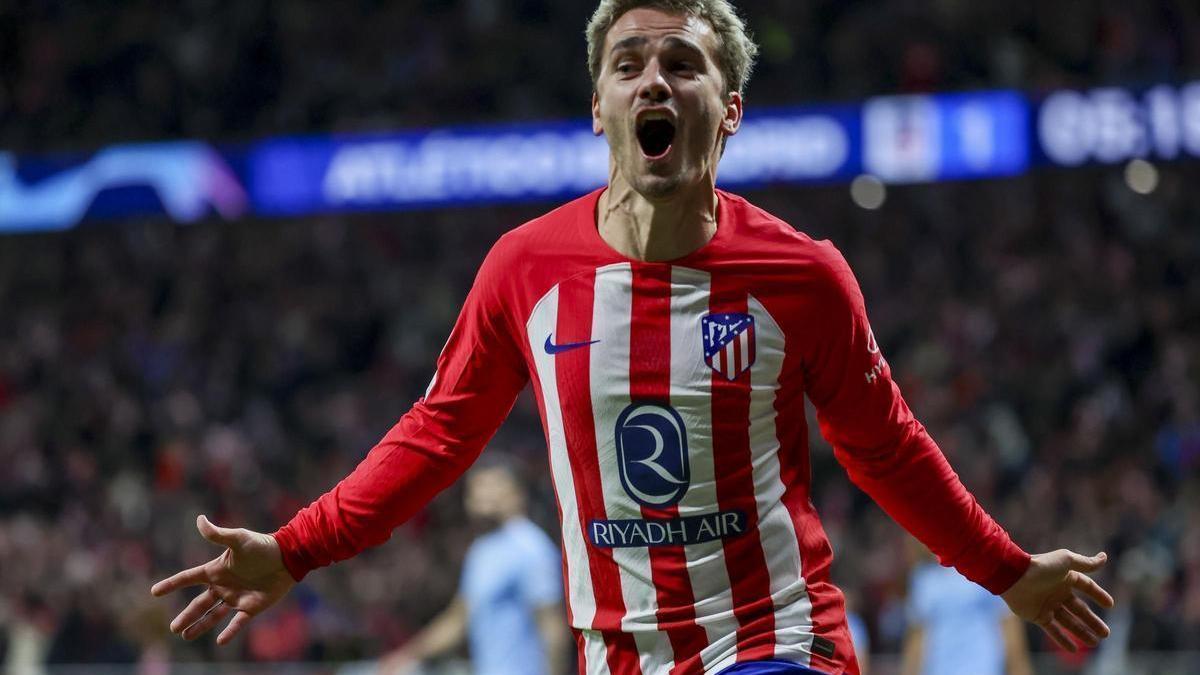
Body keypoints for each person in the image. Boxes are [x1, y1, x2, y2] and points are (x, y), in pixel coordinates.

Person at [150, 2, 1116, 673]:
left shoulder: (803, 276)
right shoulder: (523, 271)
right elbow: (438, 433)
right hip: (625, 659)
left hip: (780, 640)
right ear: (601, 110)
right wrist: (295, 548)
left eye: (682, 63)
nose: (654, 77)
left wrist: (1008, 571)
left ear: (727, 114)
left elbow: (887, 447)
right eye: (629, 65)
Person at [378, 455, 570, 675]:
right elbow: (459, 619)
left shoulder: (533, 549)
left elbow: (552, 627)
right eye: (476, 487)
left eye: (491, 485)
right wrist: (407, 655)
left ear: (516, 493)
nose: (481, 494)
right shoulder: (481, 550)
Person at [899, 540, 1033, 675]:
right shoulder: (923, 579)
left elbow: (1009, 628)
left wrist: (1020, 669)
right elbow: (917, 638)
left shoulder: (985, 565)